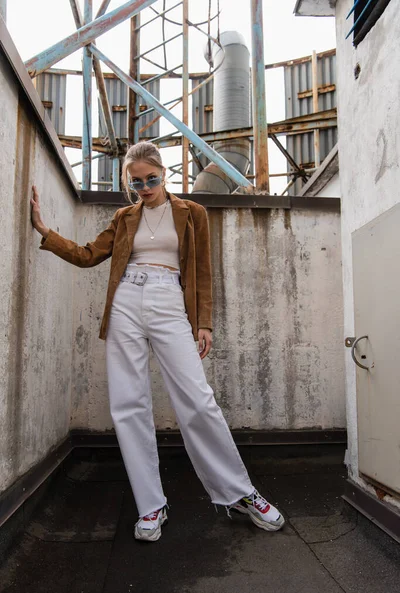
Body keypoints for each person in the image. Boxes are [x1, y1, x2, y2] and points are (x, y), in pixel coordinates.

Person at [30, 141, 284, 542]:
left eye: (151, 179)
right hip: (127, 301)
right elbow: (87, 254)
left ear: (165, 173)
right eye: (137, 182)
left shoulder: (190, 213)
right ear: (128, 183)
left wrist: (203, 322)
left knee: (198, 400)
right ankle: (151, 505)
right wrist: (47, 232)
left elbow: (201, 271)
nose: (145, 187)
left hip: (170, 302)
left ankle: (239, 492)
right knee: (128, 404)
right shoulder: (124, 217)